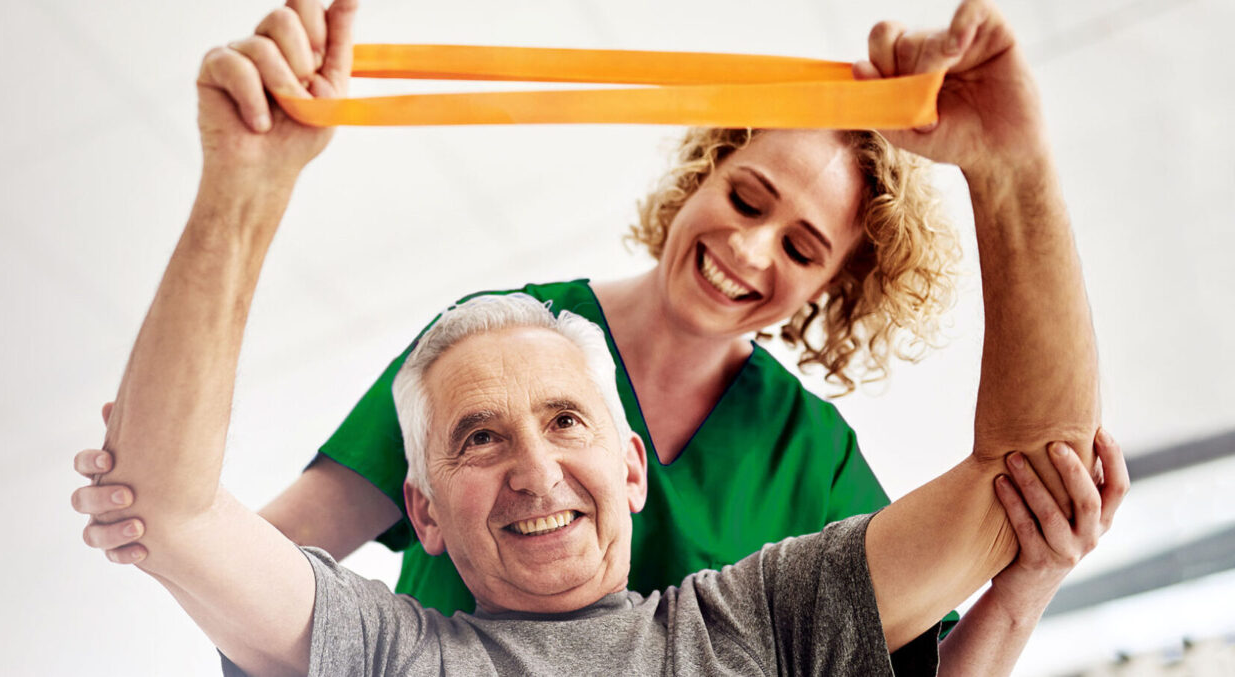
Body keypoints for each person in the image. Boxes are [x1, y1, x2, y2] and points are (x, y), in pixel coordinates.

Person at [78, 0, 1124, 669]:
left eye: (568, 418)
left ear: (629, 461)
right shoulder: (397, 643)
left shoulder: (754, 614)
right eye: (480, 436)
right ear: (422, 506)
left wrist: (1011, 167)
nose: (537, 467)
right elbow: (193, 516)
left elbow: (1023, 482)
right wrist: (244, 190)